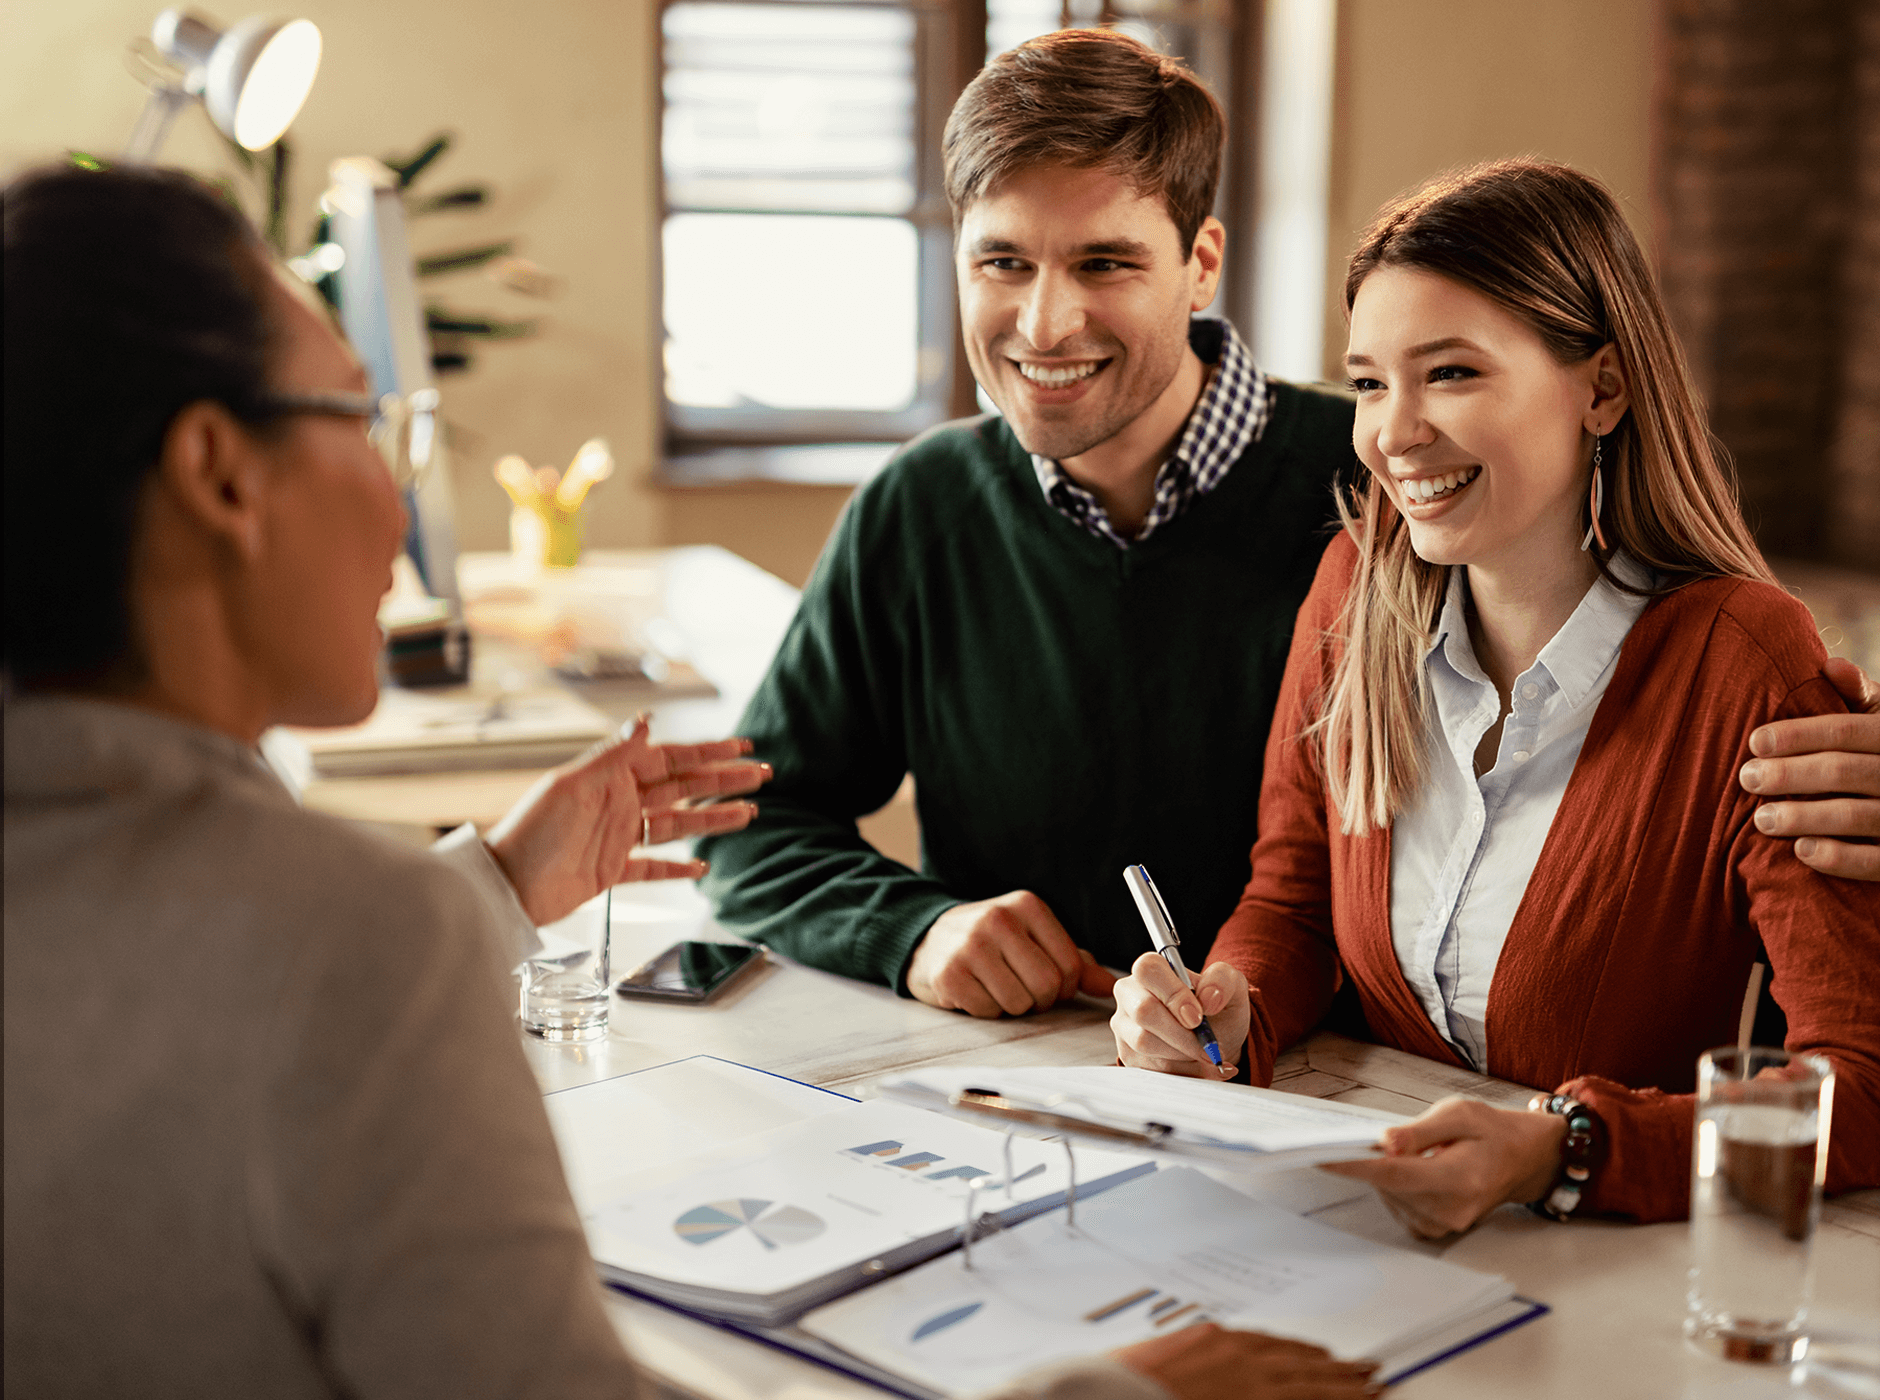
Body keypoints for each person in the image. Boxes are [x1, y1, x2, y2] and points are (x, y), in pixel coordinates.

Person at [1, 164, 1383, 1400]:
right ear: (215, 476)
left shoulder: (1367, 492)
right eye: (363, 420)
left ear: (1201, 261)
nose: (398, 498)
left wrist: (483, 890)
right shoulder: (351, 937)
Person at [698, 28, 1880, 1023]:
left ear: (1199, 263)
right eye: (999, 261)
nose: (1042, 321)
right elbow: (753, 823)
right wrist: (914, 927)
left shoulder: (1400, 492)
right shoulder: (920, 509)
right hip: (1036, 1089)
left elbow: (1685, 675)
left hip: (1368, 1095)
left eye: (1104, 261)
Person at [1109, 160, 1880, 1233]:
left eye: (1452, 374)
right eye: (1370, 382)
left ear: (1600, 387)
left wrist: (1563, 1147)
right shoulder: (1353, 591)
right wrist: (1229, 1006)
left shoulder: (1743, 661)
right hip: (1359, 1226)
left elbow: (1857, 1086)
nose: (1393, 432)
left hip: (1610, 1272)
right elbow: (1288, 905)